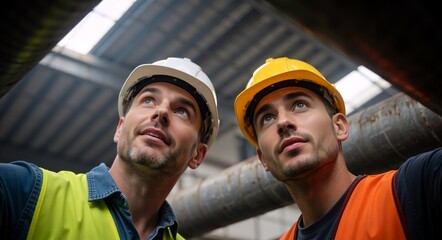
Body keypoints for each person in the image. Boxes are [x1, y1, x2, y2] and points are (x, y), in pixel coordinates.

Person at [0, 57, 219, 240]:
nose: (161, 112)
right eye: (149, 100)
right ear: (120, 128)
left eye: (182, 111)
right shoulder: (28, 194)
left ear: (197, 155)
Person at [234, 57, 441, 239]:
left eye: (299, 104)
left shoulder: (415, 187)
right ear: (262, 159)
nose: (283, 122)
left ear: (339, 127)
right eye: (267, 118)